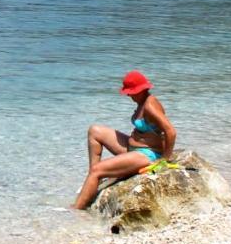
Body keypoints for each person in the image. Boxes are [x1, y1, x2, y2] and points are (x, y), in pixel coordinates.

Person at [74, 70, 176, 209]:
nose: (128, 95)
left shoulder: (150, 106)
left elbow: (170, 131)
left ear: (140, 90)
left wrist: (164, 159)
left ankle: (75, 210)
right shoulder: (143, 101)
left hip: (147, 154)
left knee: (97, 170)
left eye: (130, 92)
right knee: (94, 131)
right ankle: (93, 179)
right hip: (133, 148)